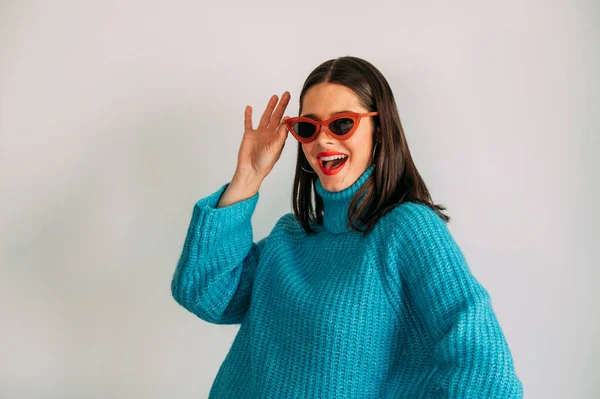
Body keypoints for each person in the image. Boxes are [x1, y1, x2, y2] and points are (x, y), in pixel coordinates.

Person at [171, 56, 524, 398]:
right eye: (308, 128)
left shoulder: (407, 230)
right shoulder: (289, 237)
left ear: (380, 129)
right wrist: (247, 176)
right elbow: (203, 293)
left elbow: (485, 367)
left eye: (342, 123)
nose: (323, 140)